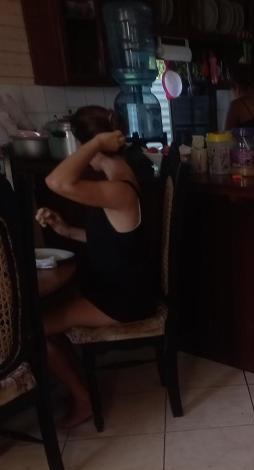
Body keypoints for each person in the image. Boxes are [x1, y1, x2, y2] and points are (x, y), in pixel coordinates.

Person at [36, 105, 158, 428]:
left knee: (34, 329)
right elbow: (114, 238)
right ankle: (79, 387)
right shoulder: (120, 177)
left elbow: (56, 181)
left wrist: (93, 145)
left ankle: (82, 399)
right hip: (118, 289)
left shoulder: (118, 188)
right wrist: (66, 231)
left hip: (125, 300)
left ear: (82, 145)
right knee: (46, 315)